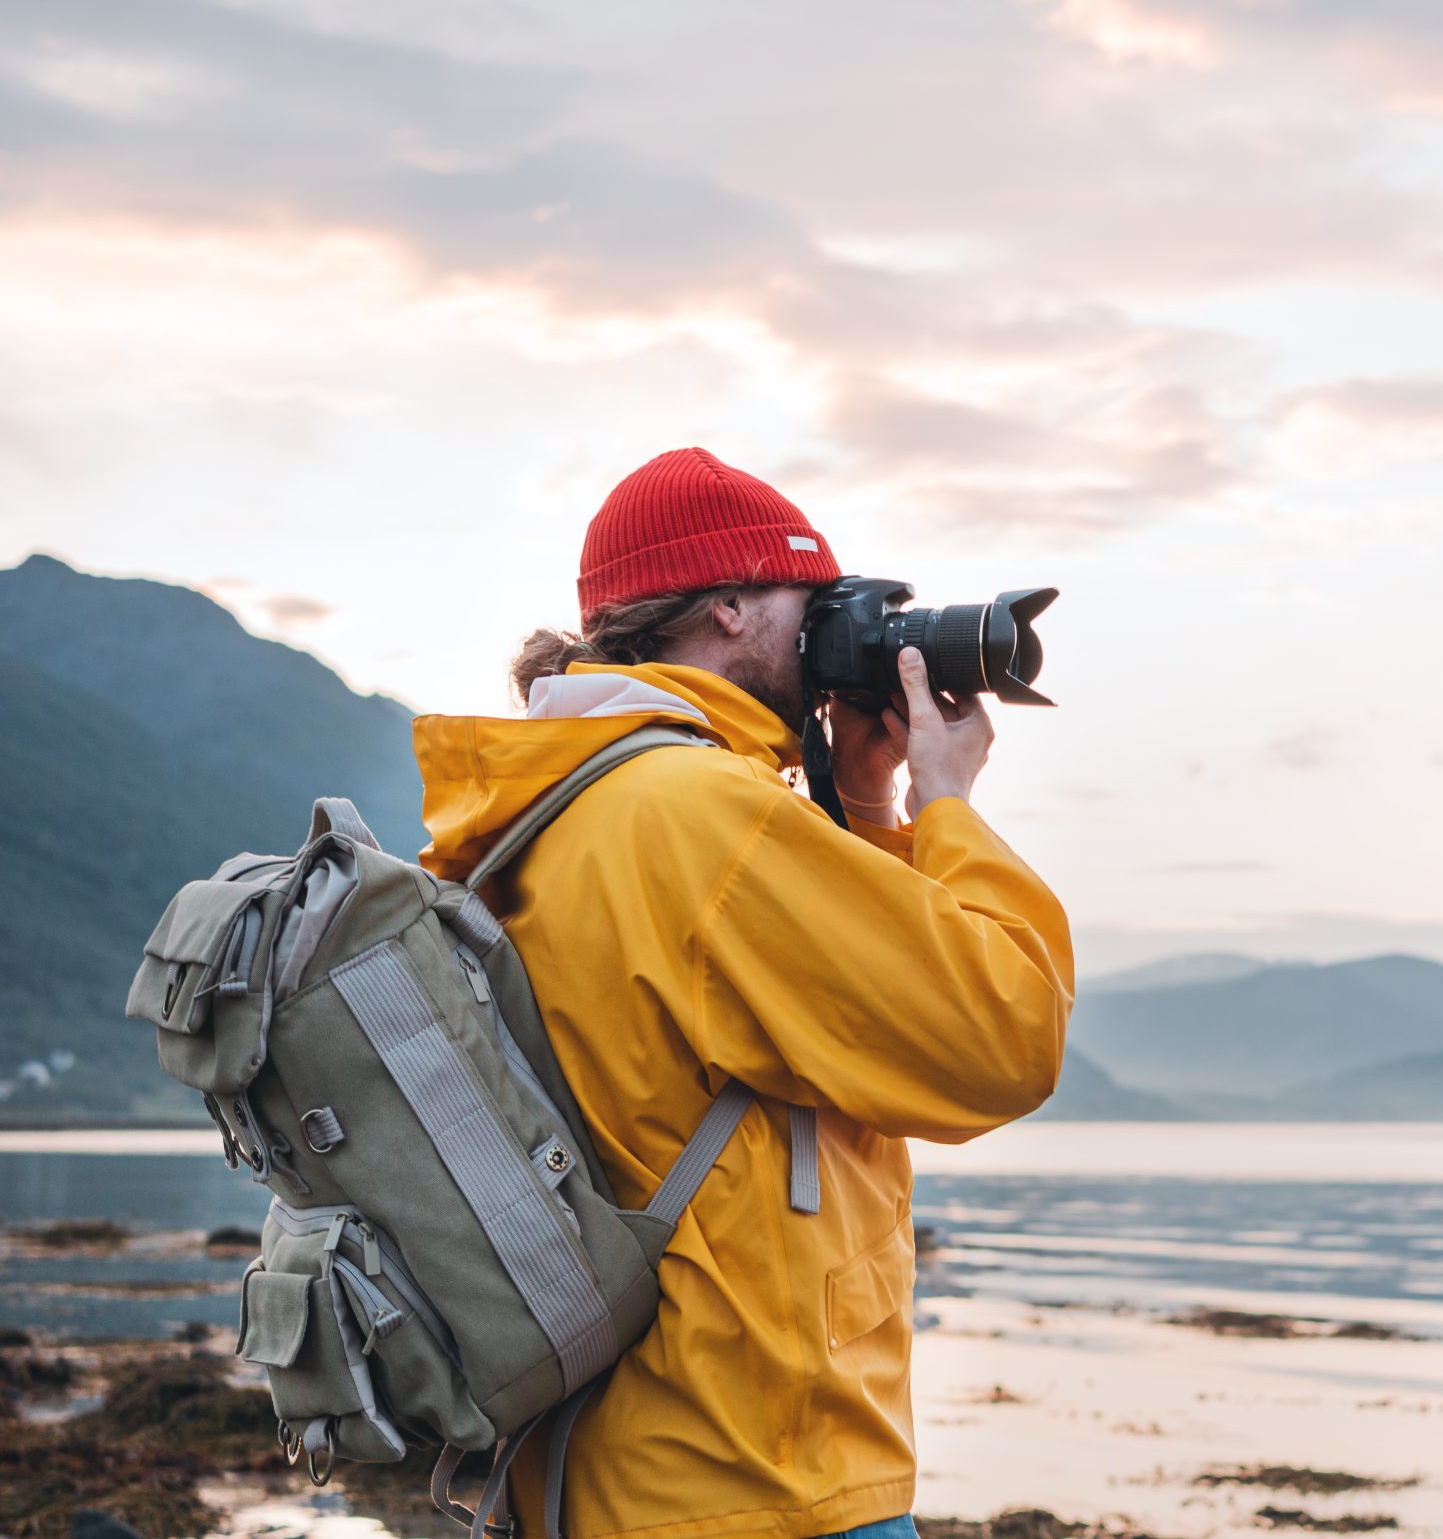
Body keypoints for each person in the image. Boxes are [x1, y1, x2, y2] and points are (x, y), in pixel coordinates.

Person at [412, 446, 1073, 1539]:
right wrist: (947, 806)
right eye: (814, 606)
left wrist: (860, 802)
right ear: (727, 607)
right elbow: (1003, 1035)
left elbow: (787, 1024)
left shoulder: (544, 808)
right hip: (760, 1480)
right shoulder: (705, 814)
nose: (833, 640)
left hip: (594, 1480)